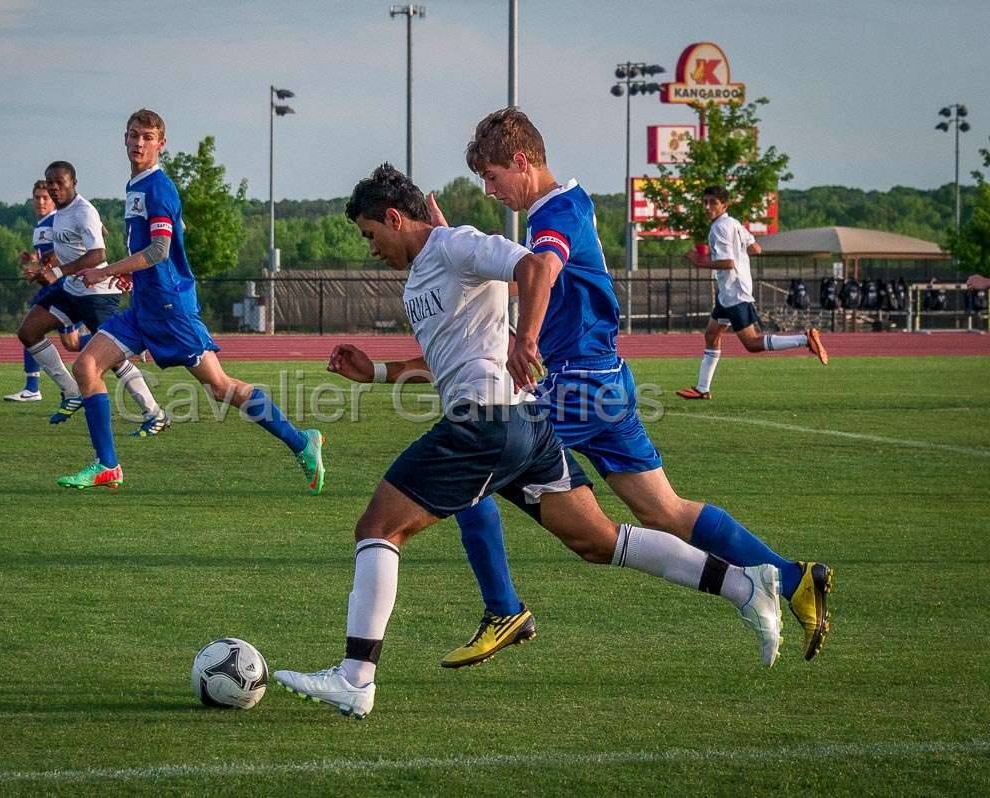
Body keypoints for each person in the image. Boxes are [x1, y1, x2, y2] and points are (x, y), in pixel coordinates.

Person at [273, 164, 783, 719]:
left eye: (371, 234)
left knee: (378, 526)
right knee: (598, 541)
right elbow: (445, 361)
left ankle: (355, 679)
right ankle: (744, 586)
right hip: (524, 428)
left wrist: (529, 340)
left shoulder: (453, 245)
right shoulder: (429, 266)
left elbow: (534, 266)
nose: (371, 248)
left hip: (485, 425)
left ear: (395, 218)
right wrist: (374, 373)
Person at [429, 108, 831, 668]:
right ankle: (790, 578)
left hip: (579, 384)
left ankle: (503, 609)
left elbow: (543, 267)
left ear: (522, 161)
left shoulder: (557, 211)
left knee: (472, 457)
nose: (490, 189)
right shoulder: (569, 202)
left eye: (492, 177)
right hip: (605, 380)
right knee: (666, 511)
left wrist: (526, 340)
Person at [56, 108, 325, 492]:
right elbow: (160, 241)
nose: (138, 143)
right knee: (86, 367)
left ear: (160, 144)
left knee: (220, 387)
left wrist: (106, 270)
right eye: (133, 135)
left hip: (170, 308)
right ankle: (107, 465)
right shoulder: (136, 185)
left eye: (147, 137)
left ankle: (302, 441)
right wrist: (132, 273)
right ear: (124, 137)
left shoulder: (158, 187)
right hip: (145, 306)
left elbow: (161, 250)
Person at [15, 161, 164, 434]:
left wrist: (57, 271)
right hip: (72, 289)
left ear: (74, 183)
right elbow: (81, 242)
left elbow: (99, 254)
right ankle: (72, 392)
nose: (54, 188)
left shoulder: (83, 211)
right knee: (28, 331)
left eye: (60, 183)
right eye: (50, 183)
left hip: (97, 294)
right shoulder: (62, 212)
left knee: (116, 360)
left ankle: (154, 413)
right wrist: (44, 269)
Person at [676, 185, 828, 400]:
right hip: (728, 292)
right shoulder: (734, 223)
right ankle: (702, 389)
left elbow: (728, 263)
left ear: (724, 205)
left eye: (713, 203)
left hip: (734, 292)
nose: (707, 206)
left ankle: (805, 339)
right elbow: (755, 248)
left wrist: (699, 262)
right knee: (711, 335)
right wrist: (739, 254)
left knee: (752, 344)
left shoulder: (719, 227)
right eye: (705, 202)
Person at [4, 179, 87, 402]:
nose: (41, 201)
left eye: (45, 198)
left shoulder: (57, 220)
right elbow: (51, 254)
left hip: (61, 285)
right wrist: (34, 259)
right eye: (37, 197)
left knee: (30, 328)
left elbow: (69, 249)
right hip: (54, 284)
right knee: (72, 343)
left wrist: (49, 265)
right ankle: (122, 343)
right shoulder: (42, 224)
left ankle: (32, 387)